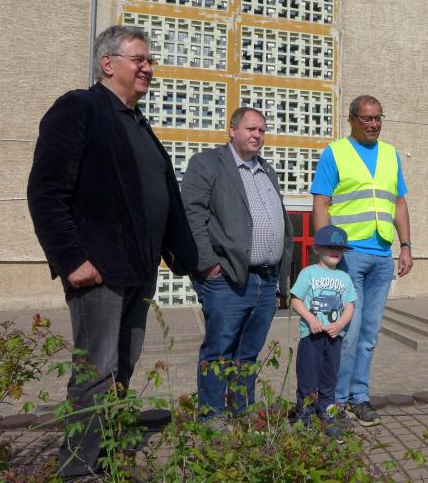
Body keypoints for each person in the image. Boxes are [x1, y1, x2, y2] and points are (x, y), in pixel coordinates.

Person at [26, 25, 198, 478]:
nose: (148, 67)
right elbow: (46, 192)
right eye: (139, 59)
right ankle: (78, 468)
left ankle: (105, 450)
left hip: (138, 268)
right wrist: (71, 259)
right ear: (108, 63)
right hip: (98, 268)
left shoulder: (138, 123)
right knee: (96, 370)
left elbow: (158, 196)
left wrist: (181, 253)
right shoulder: (80, 108)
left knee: (122, 366)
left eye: (150, 60)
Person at [181, 107, 293, 427]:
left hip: (266, 280)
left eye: (262, 130)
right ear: (232, 130)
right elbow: (192, 214)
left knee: (248, 352)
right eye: (250, 128)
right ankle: (213, 417)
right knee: (219, 351)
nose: (257, 135)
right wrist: (208, 265)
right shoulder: (208, 163)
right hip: (227, 278)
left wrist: (280, 283)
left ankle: (242, 411)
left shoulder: (266, 169)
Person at [311, 95, 413, 426]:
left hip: (382, 256)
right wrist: (324, 249)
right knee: (348, 333)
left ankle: (359, 398)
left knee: (369, 335)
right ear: (352, 119)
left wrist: (406, 246)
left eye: (378, 118)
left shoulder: (390, 155)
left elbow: (398, 203)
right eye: (367, 118)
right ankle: (335, 402)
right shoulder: (335, 152)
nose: (374, 124)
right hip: (348, 255)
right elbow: (321, 203)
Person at [290, 225, 356, 437]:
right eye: (330, 247)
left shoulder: (344, 278)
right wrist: (311, 319)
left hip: (334, 337)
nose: (335, 251)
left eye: (340, 248)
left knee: (329, 380)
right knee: (308, 379)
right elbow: (296, 300)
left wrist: (340, 325)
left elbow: (350, 306)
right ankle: (305, 417)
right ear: (317, 249)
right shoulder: (308, 273)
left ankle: (327, 416)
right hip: (311, 337)